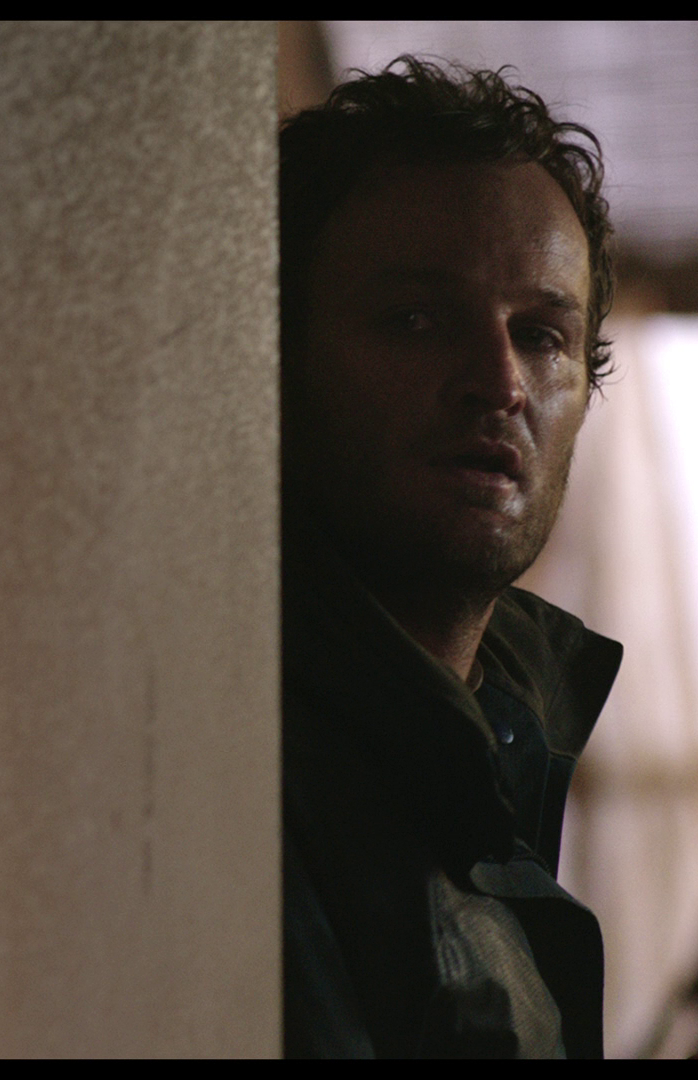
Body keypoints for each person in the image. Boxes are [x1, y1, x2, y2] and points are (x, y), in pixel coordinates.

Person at [279, 57, 623, 1058]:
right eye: (416, 320)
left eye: (542, 334)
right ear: (275, 358)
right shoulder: (241, 759)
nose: (498, 381)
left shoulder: (502, 730)